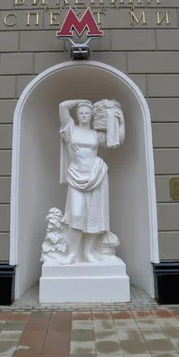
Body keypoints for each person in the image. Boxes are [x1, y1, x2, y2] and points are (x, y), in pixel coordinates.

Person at [58, 99, 124, 263]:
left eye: (87, 112)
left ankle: (87, 253)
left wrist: (121, 121)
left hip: (97, 174)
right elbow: (62, 106)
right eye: (81, 113)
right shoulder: (70, 129)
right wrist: (81, 101)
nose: (84, 115)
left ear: (92, 115)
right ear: (77, 115)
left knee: (95, 216)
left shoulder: (96, 134)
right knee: (77, 214)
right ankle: (73, 254)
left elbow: (117, 140)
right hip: (76, 175)